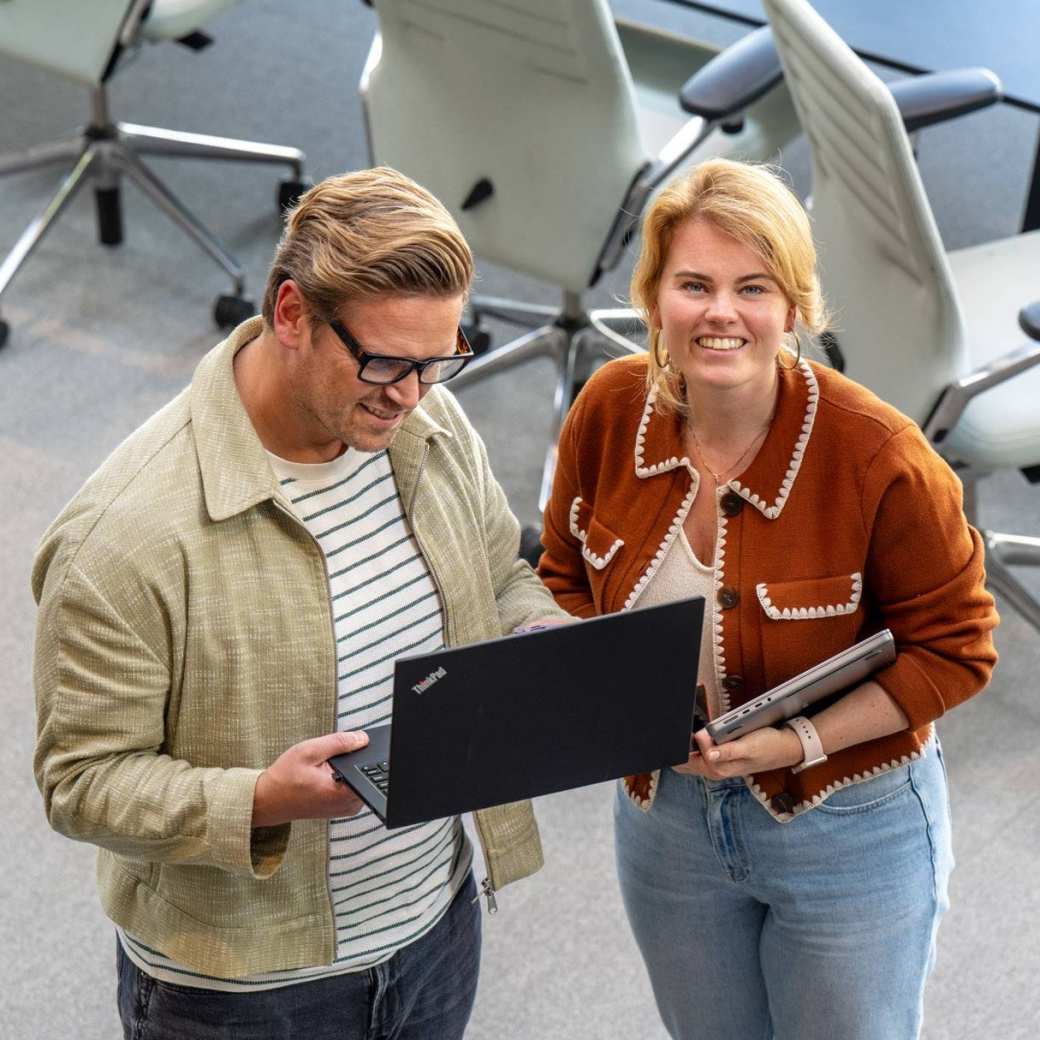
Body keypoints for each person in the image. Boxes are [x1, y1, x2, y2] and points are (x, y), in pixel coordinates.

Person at [33, 166, 566, 1040]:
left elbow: (498, 572)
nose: (410, 394)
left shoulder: (427, 425)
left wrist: (539, 633)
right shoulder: (123, 539)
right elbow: (81, 783)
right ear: (291, 314)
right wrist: (260, 800)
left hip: (434, 926)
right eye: (384, 362)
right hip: (242, 993)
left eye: (436, 362)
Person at [537, 158, 999, 1040]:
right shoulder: (609, 408)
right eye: (694, 285)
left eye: (753, 287)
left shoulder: (880, 457)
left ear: (793, 308)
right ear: (654, 298)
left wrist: (796, 742)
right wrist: (611, 706)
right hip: (666, 814)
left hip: (845, 819)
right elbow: (561, 573)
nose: (721, 312)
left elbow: (957, 649)